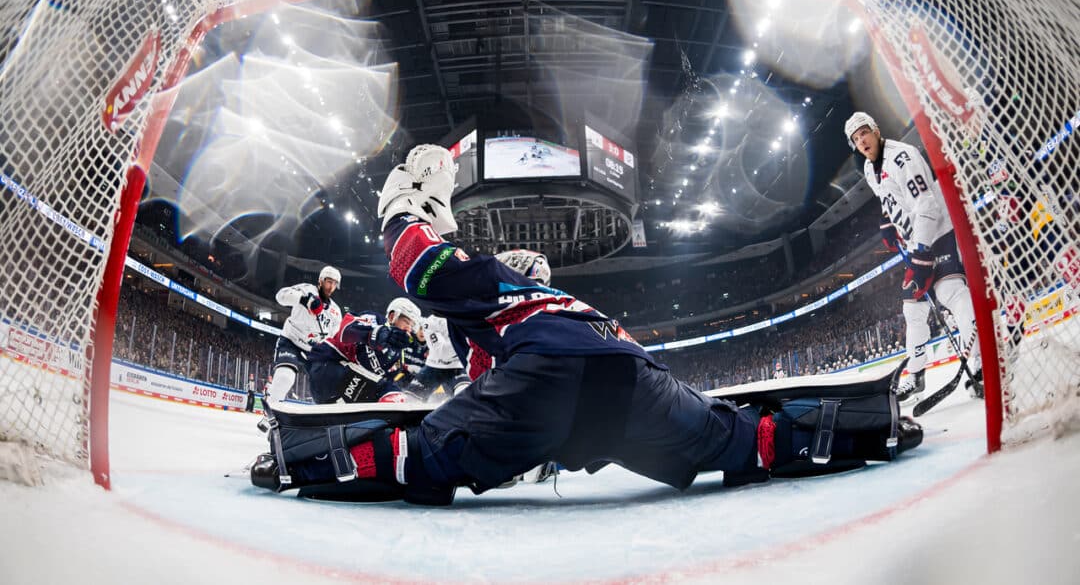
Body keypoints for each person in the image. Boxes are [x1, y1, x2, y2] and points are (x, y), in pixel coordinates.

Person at [252, 144, 922, 505]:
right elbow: (488, 370)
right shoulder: (567, 304)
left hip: (548, 380)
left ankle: (294, 459)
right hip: (630, 377)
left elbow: (419, 268)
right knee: (746, 443)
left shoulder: (496, 284)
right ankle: (876, 423)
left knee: (420, 457)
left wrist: (405, 206)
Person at [845, 112, 982, 402]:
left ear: (876, 130)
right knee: (913, 310)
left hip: (938, 234)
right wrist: (887, 221)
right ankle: (916, 376)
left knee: (952, 293)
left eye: (865, 133)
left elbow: (927, 205)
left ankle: (979, 365)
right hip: (914, 243)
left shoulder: (902, 158)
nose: (862, 141)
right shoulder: (870, 169)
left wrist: (921, 254)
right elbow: (888, 197)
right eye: (856, 139)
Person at [304, 301, 418, 405]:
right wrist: (377, 334)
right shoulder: (376, 320)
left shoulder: (398, 358)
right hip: (328, 367)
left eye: (412, 326)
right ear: (392, 316)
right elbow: (345, 331)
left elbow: (385, 381)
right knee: (389, 392)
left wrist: (409, 378)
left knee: (390, 396)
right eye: (406, 322)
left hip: (341, 394)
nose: (409, 328)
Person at [266, 266, 344, 409]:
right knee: (285, 377)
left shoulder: (336, 311)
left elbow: (335, 337)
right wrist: (303, 299)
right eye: (329, 281)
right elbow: (280, 296)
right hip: (292, 342)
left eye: (334, 283)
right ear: (320, 280)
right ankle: (269, 415)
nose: (331, 286)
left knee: (325, 391)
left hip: (314, 352)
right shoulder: (307, 289)